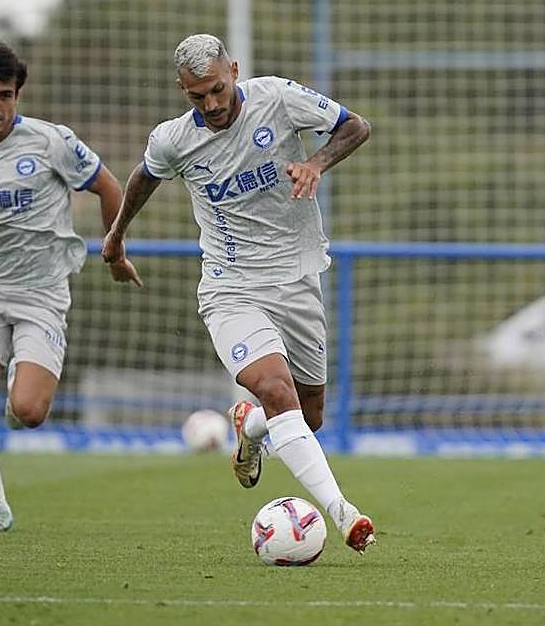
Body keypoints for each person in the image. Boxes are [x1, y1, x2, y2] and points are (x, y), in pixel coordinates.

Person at [101, 33, 377, 552]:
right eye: (195, 97)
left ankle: (250, 430)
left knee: (308, 416)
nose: (210, 105)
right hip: (231, 285)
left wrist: (316, 163)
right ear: (182, 91)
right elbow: (144, 176)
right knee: (277, 391)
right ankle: (344, 513)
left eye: (216, 90)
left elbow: (355, 126)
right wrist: (116, 237)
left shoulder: (276, 97)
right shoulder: (174, 139)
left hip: (296, 278)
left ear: (233, 69)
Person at [0, 42, 141, 533]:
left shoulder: (51, 142)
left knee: (28, 412)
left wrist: (113, 252)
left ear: (17, 96)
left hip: (43, 295)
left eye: (5, 95)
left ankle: (20, 387)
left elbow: (110, 187)